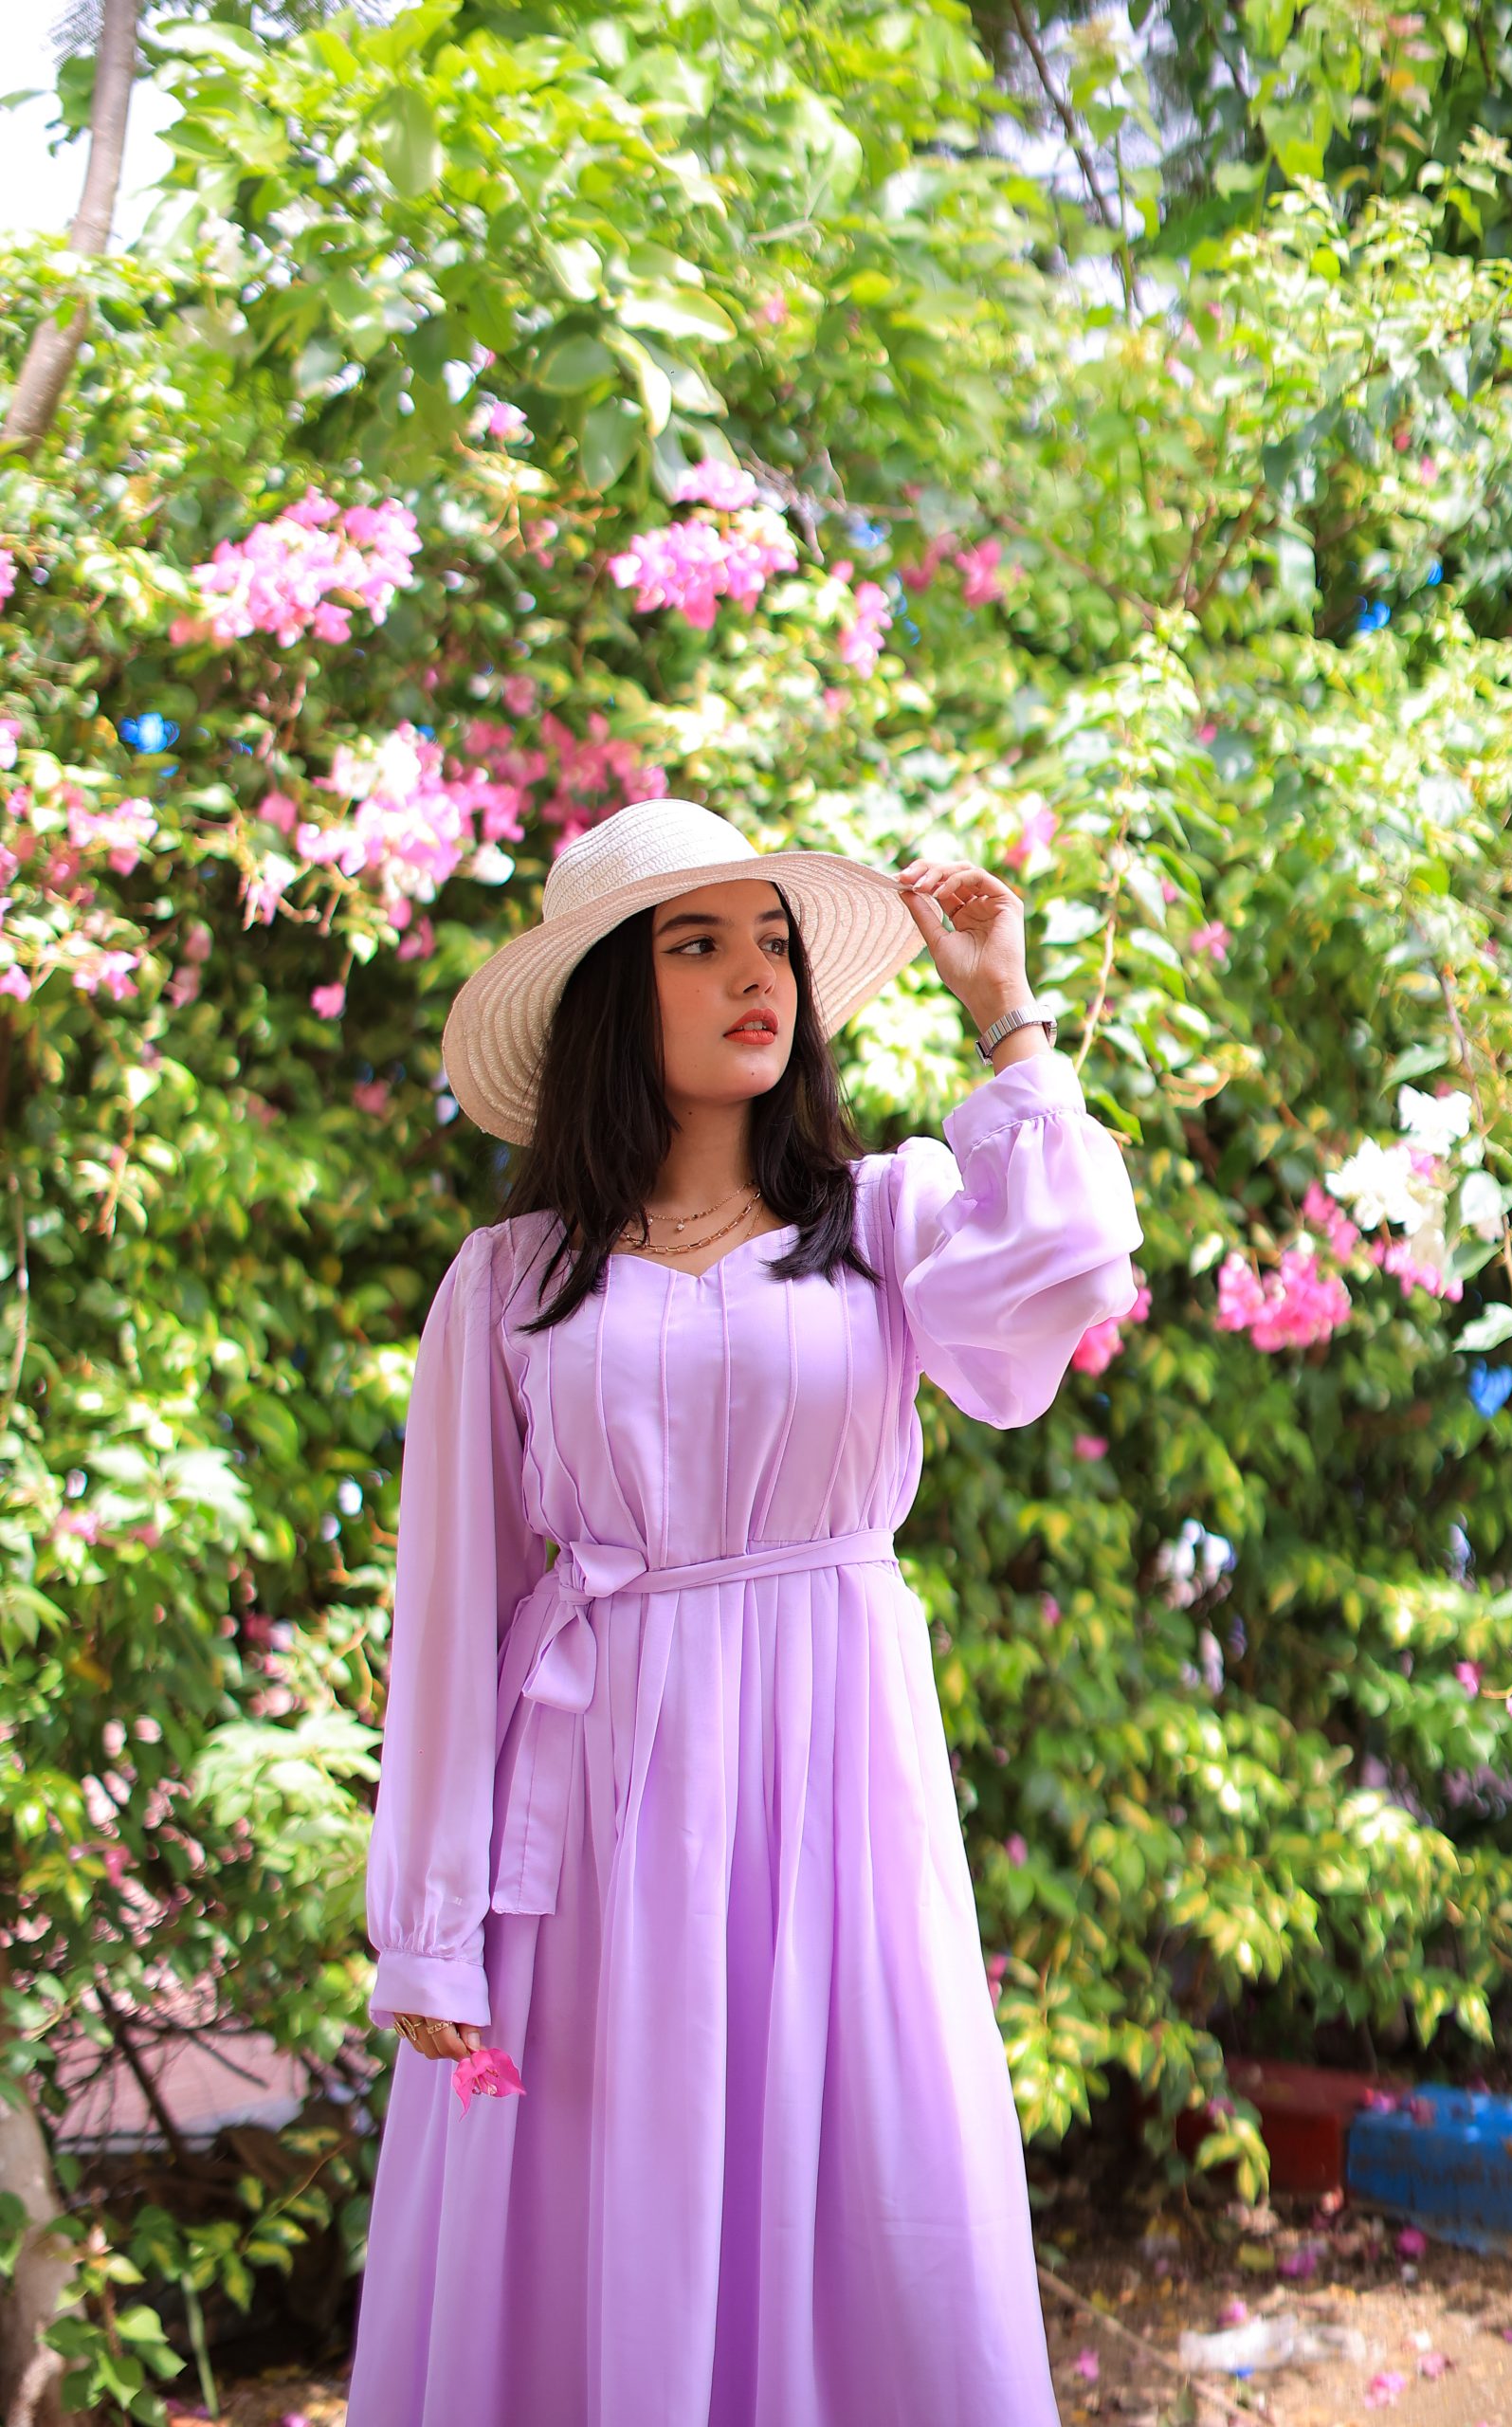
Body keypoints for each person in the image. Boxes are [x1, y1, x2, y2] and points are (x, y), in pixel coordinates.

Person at [344, 796, 1144, 2427]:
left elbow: (1067, 1270)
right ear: (609, 1004)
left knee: (862, 2169)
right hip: (590, 1824)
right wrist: (428, 1921)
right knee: (600, 2209)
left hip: (833, 1797)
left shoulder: (886, 1221)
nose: (752, 975)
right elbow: (450, 1610)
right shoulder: (511, 1282)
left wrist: (1007, 1012)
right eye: (696, 946)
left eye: (770, 941)